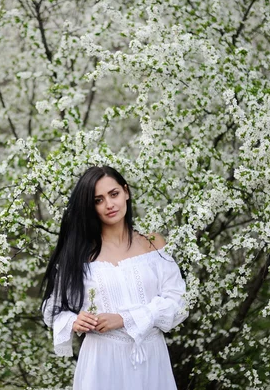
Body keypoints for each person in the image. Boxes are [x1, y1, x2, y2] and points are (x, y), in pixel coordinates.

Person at [41, 165, 188, 390]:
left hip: (151, 357)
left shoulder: (153, 243)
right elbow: (53, 309)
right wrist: (74, 321)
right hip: (101, 361)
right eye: (98, 200)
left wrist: (125, 318)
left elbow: (177, 302)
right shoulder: (79, 255)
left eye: (114, 194)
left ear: (126, 192)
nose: (109, 205)